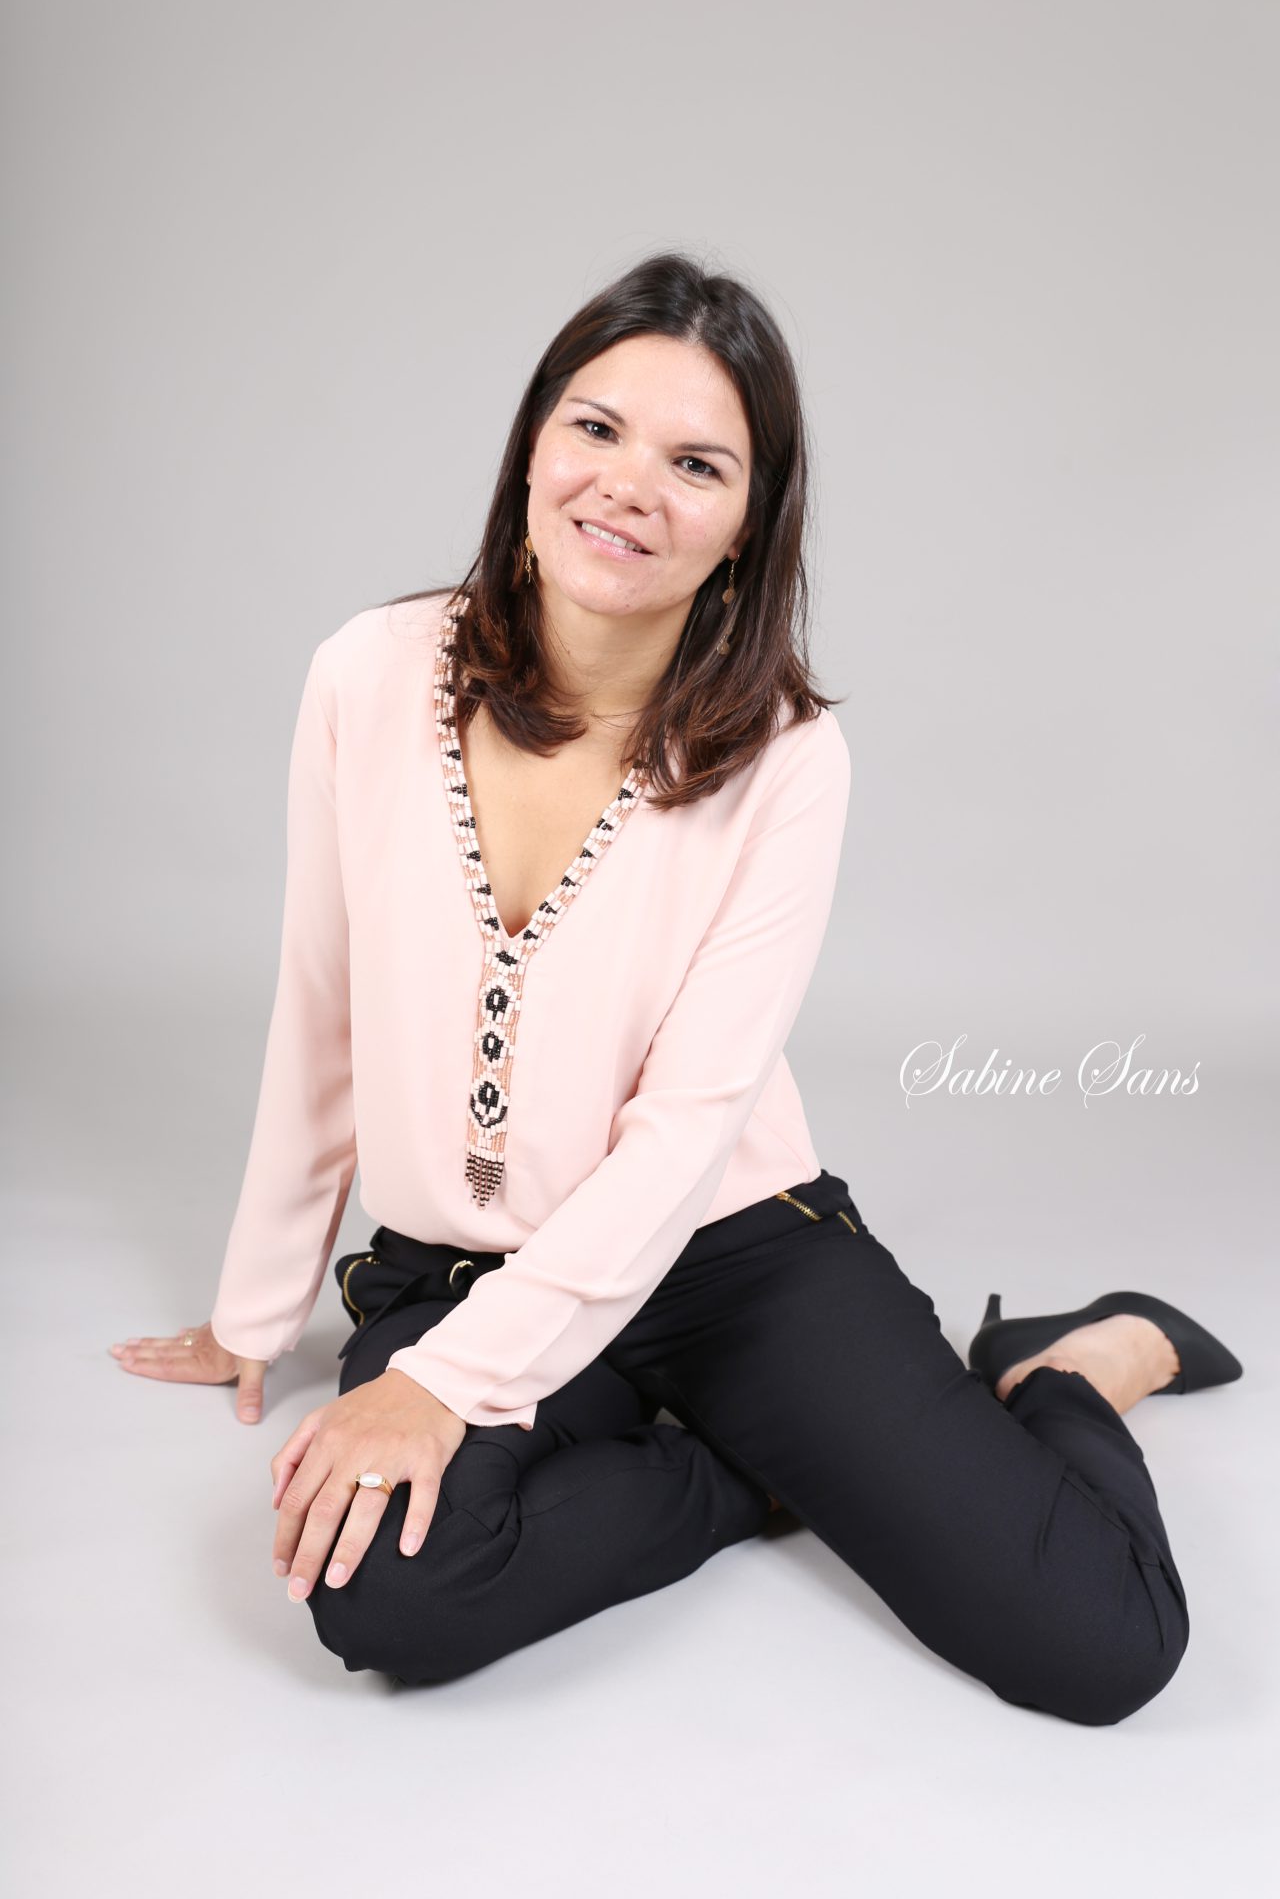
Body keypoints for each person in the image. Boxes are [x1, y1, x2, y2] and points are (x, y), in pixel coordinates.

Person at [111, 251, 1242, 1721]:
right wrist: (257, 1310)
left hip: (728, 1256)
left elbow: (689, 1130)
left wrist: (442, 1390)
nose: (629, 488)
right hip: (467, 1264)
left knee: (1101, 1647)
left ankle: (1067, 1371)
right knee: (381, 1588)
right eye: (596, 429)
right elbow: (321, 1005)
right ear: (533, 444)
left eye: (696, 464)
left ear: (747, 523)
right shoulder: (368, 676)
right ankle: (750, 1471)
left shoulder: (786, 757)